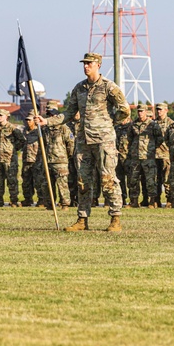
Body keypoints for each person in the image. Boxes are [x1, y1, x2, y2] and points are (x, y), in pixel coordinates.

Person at [34, 53, 130, 232]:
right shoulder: (79, 88)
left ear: (98, 65)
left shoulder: (109, 87)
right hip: (84, 140)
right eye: (84, 64)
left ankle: (115, 218)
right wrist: (47, 121)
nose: (86, 66)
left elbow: (124, 109)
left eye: (89, 64)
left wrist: (110, 123)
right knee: (83, 181)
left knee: (108, 179)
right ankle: (82, 218)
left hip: (104, 141)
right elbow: (68, 113)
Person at [0, 109, 25, 206]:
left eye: (1, 115)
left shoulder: (12, 128)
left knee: (12, 181)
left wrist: (14, 149)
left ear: (7, 116)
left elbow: (22, 140)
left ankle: (14, 200)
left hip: (9, 159)